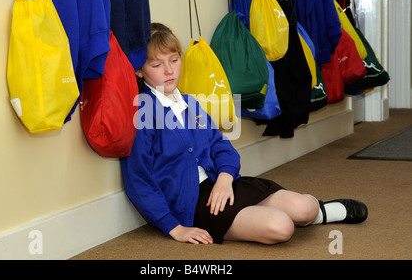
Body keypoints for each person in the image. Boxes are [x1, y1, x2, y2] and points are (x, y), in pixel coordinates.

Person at [120, 23, 368, 245]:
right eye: (156, 64)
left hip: (223, 185)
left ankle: (320, 213)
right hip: (193, 206)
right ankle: (274, 217)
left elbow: (221, 147)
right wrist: (174, 228)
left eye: (174, 60)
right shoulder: (142, 113)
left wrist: (225, 179)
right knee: (282, 227)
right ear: (139, 71)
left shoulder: (190, 103)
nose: (169, 71)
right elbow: (138, 180)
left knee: (304, 209)